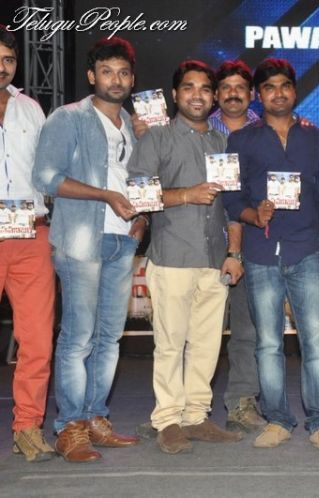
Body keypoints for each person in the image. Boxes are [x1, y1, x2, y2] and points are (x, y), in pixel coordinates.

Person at [32, 37, 144, 462]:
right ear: (91, 76)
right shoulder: (68, 118)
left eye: (123, 73)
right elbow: (46, 177)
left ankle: (96, 417)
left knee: (109, 337)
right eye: (107, 72)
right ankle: (70, 428)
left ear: (132, 79)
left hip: (123, 239)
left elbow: (140, 181)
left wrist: (143, 219)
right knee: (78, 337)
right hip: (81, 238)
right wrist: (105, 196)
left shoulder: (134, 124)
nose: (116, 80)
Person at [222, 58, 319, 453]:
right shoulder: (241, 140)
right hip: (260, 251)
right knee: (268, 344)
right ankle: (278, 420)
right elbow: (231, 198)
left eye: (285, 85)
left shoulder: (315, 137)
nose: (278, 93)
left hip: (306, 248)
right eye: (269, 87)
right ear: (259, 95)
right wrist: (253, 214)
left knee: (316, 340)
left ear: (295, 91)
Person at [127, 60, 244, 454]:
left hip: (215, 259)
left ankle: (196, 416)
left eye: (205, 89)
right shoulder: (156, 138)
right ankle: (168, 420)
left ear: (214, 97)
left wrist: (234, 252)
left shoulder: (222, 143)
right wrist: (185, 195)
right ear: (175, 94)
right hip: (172, 256)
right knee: (170, 344)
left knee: (207, 345)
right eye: (189, 87)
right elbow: (138, 195)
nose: (198, 95)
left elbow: (232, 205)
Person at [0, 26, 56, 463]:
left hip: (32, 233)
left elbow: (48, 170)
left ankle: (28, 428)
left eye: (8, 60)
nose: (2, 68)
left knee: (37, 339)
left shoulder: (31, 108)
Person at [208, 60, 266, 434]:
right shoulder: (198, 129)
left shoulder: (268, 132)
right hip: (203, 240)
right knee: (197, 331)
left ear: (252, 94)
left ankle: (242, 403)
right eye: (226, 87)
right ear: (216, 94)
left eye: (240, 87)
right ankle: (186, 408)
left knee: (247, 329)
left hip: (252, 243)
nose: (233, 93)